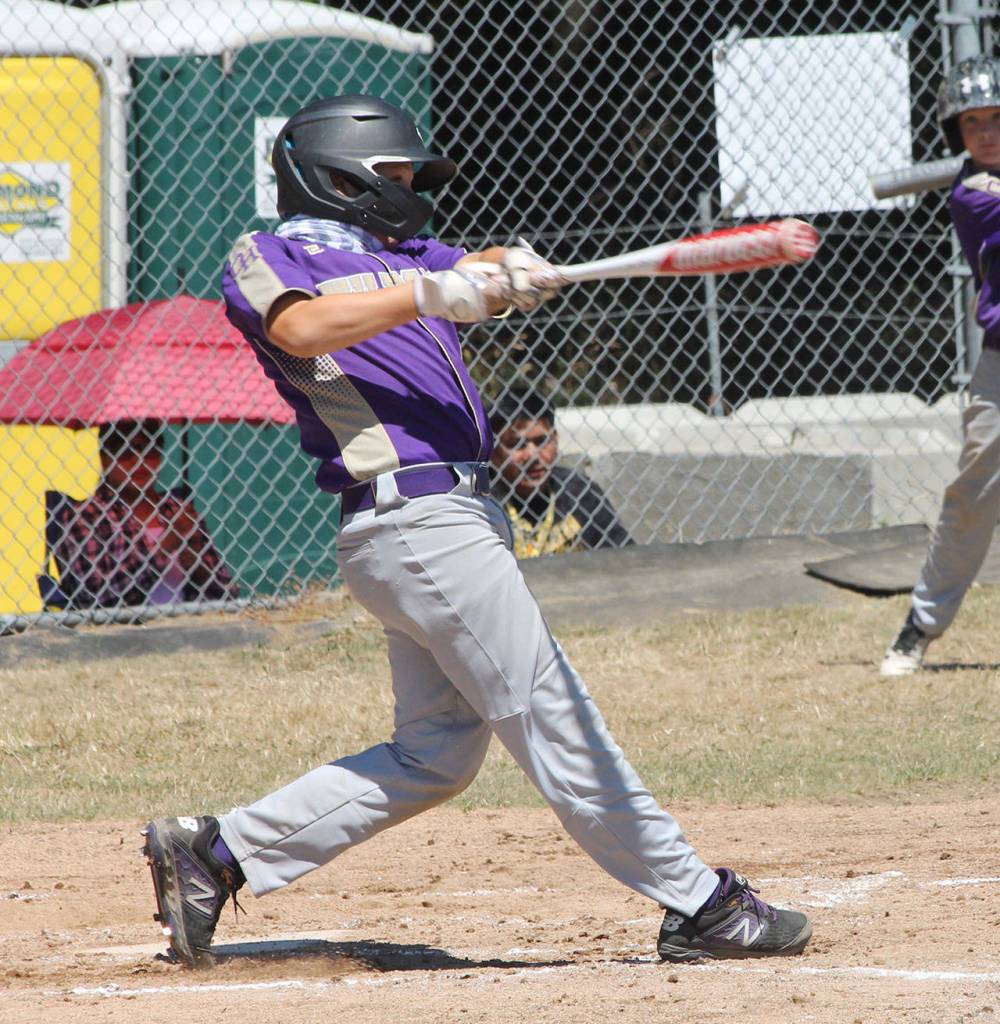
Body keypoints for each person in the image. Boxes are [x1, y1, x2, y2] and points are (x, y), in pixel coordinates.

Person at [141, 94, 811, 966]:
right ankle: (701, 902)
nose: (414, 186)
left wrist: (507, 270)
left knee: (436, 753)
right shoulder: (271, 252)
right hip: (414, 519)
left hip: (452, 520)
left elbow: (472, 266)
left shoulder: (405, 250)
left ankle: (218, 851)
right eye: (398, 174)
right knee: (550, 709)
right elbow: (299, 324)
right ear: (339, 174)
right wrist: (429, 293)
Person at [882, 56, 1000, 677]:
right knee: (972, 499)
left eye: (997, 118)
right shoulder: (973, 195)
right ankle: (922, 623)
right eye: (971, 121)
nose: (984, 132)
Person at [40, 419, 238, 610]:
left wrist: (198, 563)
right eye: (126, 451)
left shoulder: (177, 511)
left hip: (187, 628)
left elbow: (228, 593)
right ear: (105, 459)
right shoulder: (86, 516)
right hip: (125, 637)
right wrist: (163, 547)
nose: (139, 460)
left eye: (148, 450)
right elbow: (97, 596)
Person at [489, 385, 634, 557]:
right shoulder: (482, 503)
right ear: (493, 451)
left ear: (556, 440)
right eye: (517, 445)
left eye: (542, 441)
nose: (533, 455)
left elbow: (625, 554)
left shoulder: (579, 492)